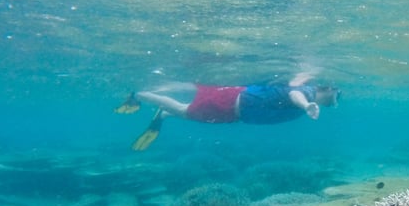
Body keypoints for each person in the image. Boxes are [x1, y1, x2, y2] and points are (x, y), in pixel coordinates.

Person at [115, 74, 340, 150]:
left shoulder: (309, 95)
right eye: (337, 97)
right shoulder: (308, 92)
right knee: (184, 110)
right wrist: (306, 105)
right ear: (327, 89)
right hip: (230, 104)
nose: (336, 103)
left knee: (185, 112)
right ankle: (139, 95)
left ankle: (163, 114)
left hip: (234, 112)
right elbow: (294, 95)